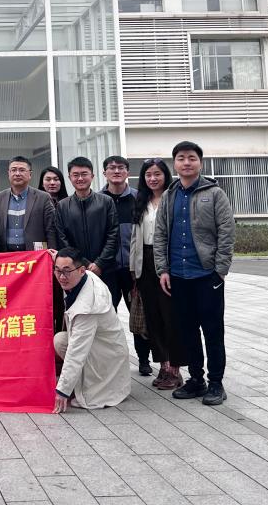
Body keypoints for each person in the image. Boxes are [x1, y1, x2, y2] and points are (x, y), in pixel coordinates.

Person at [154, 141, 235, 406]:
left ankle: (216, 383)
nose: (186, 163)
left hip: (207, 275)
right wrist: (162, 269)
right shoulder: (169, 195)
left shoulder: (215, 194)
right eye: (181, 158)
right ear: (174, 164)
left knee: (213, 332)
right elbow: (160, 234)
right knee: (187, 332)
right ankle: (196, 379)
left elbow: (226, 232)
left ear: (200, 162)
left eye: (191, 158)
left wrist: (220, 271)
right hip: (178, 275)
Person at [129, 158, 185, 390]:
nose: (152, 179)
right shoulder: (141, 201)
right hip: (144, 263)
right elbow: (135, 238)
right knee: (153, 318)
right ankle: (163, 365)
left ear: (165, 176)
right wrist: (134, 271)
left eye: (157, 174)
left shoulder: (174, 199)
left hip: (168, 263)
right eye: (148, 175)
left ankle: (175, 369)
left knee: (171, 317)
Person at [52, 249, 131, 411]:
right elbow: (68, 264)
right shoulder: (83, 276)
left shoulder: (88, 305)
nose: (61, 277)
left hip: (106, 356)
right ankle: (77, 381)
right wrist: (56, 257)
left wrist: (62, 390)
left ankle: (88, 386)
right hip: (98, 346)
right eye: (57, 270)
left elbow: (76, 352)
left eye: (66, 271)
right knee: (60, 340)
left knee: (86, 394)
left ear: (82, 270)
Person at [100, 155, 152, 376]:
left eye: (121, 168)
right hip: (107, 270)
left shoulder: (140, 198)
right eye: (111, 168)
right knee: (105, 317)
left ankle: (144, 360)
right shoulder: (98, 200)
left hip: (133, 269)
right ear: (104, 173)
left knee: (139, 314)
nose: (116, 171)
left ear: (127, 172)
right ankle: (107, 362)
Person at [55, 156, 119, 300]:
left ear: (92, 176)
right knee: (79, 309)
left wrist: (99, 264)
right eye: (75, 175)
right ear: (69, 178)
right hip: (75, 272)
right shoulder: (62, 206)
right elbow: (62, 239)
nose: (80, 178)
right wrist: (83, 264)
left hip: (105, 270)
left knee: (107, 307)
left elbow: (113, 235)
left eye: (84, 174)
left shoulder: (106, 202)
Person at [0, 157, 58, 253]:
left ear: (30, 174)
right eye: (13, 170)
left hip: (35, 255)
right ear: (8, 173)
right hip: (6, 255)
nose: (17, 173)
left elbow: (51, 229)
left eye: (22, 170)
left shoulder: (43, 197)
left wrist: (52, 253)